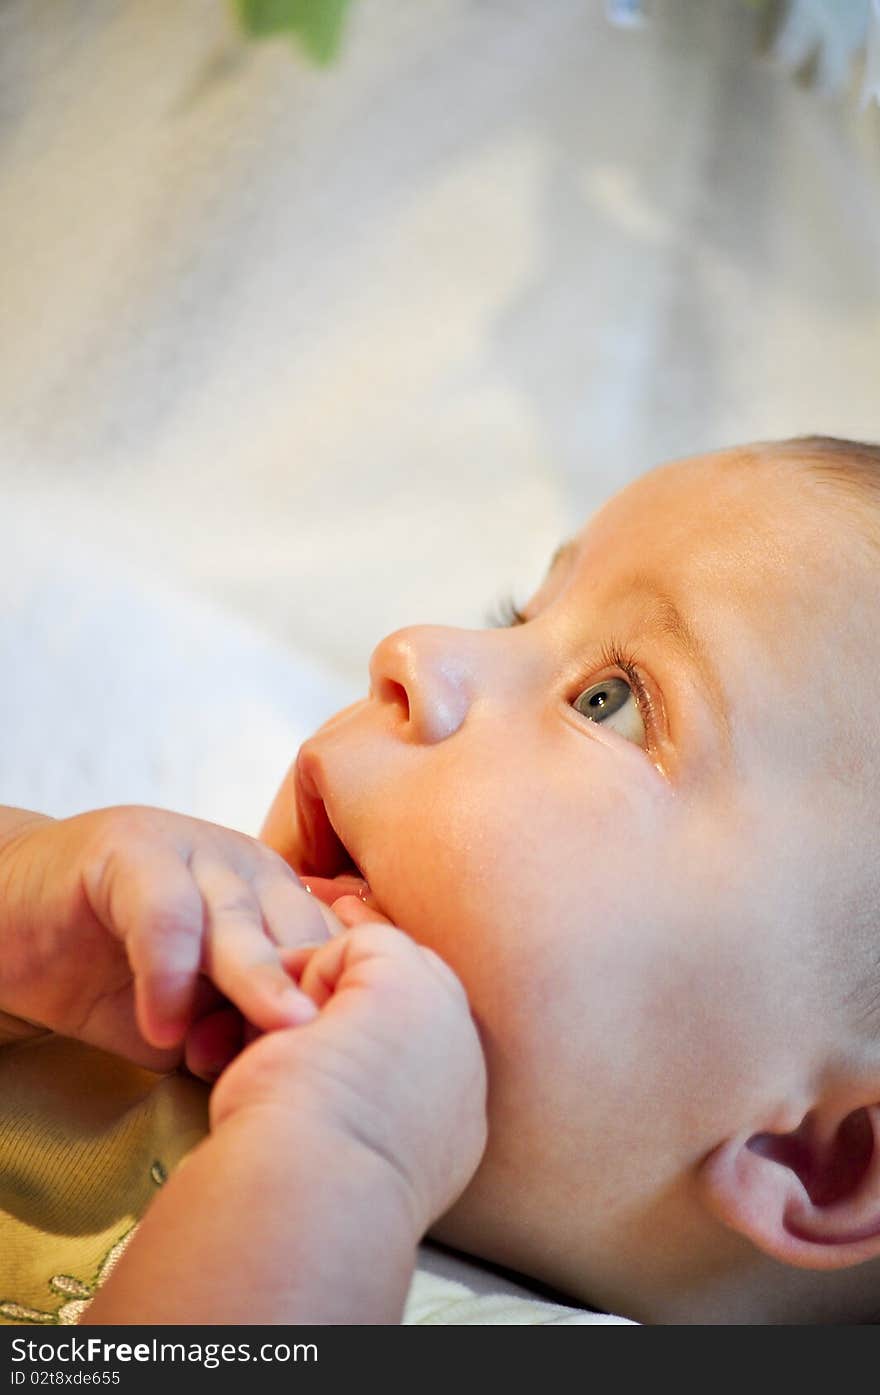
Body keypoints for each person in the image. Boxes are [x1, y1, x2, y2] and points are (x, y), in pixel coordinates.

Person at [2, 434, 880, 1326]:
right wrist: (22, 894)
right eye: (517, 616)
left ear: (821, 1157)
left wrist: (333, 1157)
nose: (412, 650)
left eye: (607, 702)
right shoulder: (138, 972)